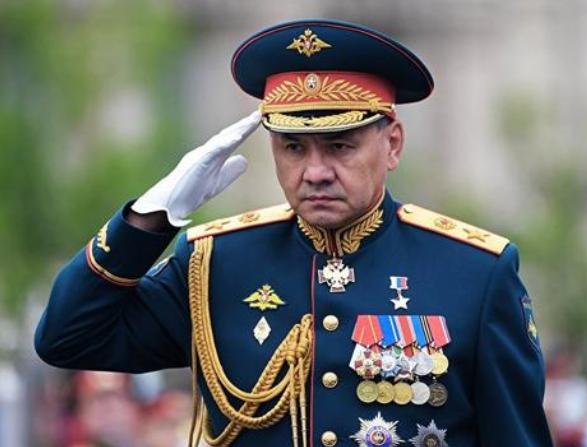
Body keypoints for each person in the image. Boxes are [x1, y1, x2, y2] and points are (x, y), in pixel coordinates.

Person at [34, 19, 553, 447]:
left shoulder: (474, 272)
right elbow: (68, 338)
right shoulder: (216, 263)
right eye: (293, 148)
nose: (315, 172)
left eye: (340, 146)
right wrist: (149, 218)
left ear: (392, 144)